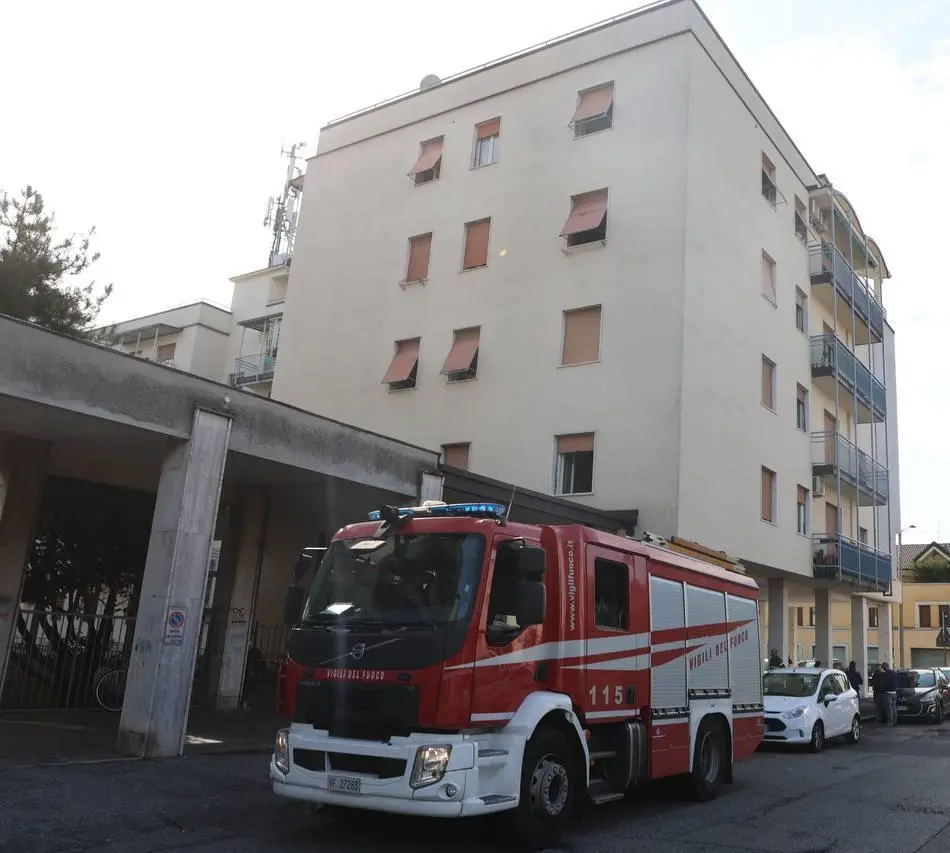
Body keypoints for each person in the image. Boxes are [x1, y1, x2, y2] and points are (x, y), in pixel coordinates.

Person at [882, 662, 899, 726]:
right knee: (894, 707)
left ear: (885, 667)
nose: (883, 669)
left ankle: (890, 722)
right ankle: (895, 721)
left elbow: (884, 683)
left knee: (890, 709)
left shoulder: (886, 674)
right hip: (894, 692)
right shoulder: (894, 673)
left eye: (883, 667)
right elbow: (897, 681)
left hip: (888, 692)